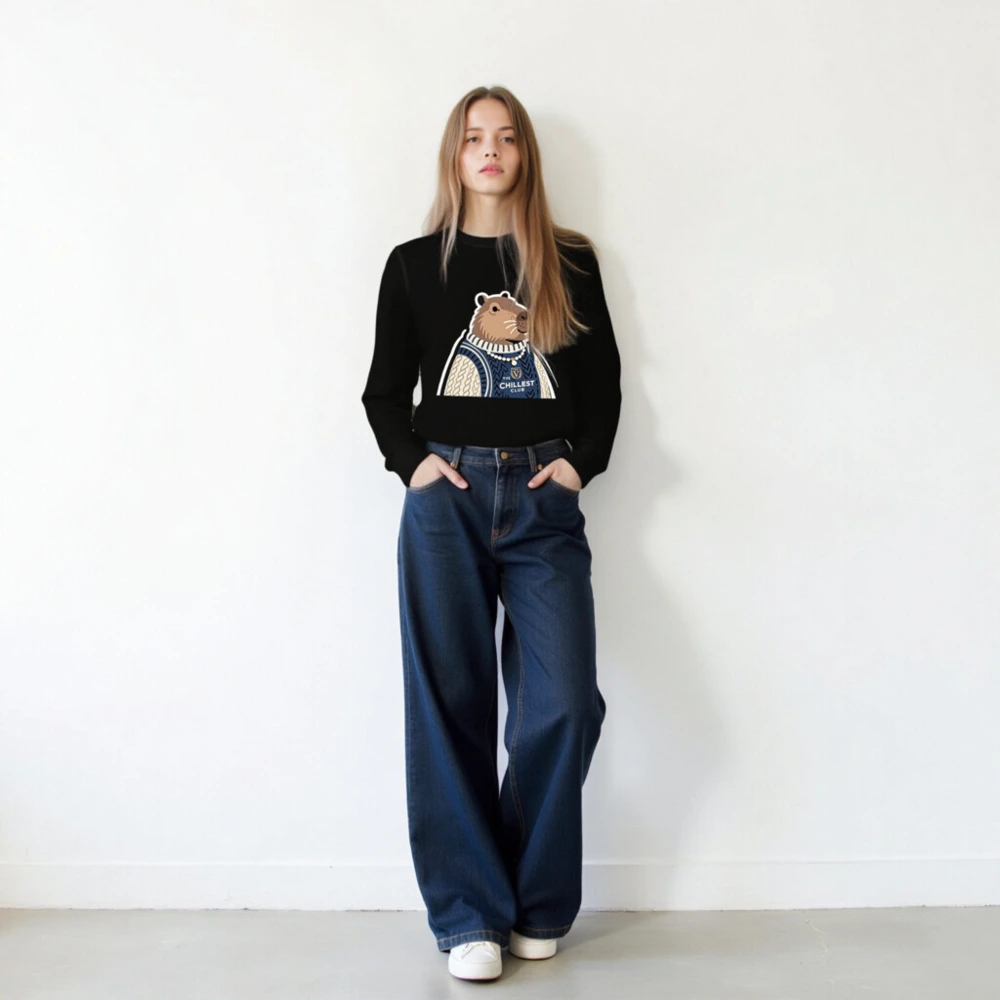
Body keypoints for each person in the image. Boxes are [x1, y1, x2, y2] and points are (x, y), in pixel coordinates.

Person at [361, 85, 622, 982]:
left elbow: (603, 386)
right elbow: (384, 391)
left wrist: (579, 466)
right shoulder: (413, 266)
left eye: (506, 137)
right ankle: (469, 913)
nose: (490, 150)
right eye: (474, 137)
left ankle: (533, 897)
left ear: (523, 155)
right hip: (448, 498)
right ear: (455, 154)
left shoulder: (567, 260)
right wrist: (414, 465)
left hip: (544, 501)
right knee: (450, 705)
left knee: (564, 703)